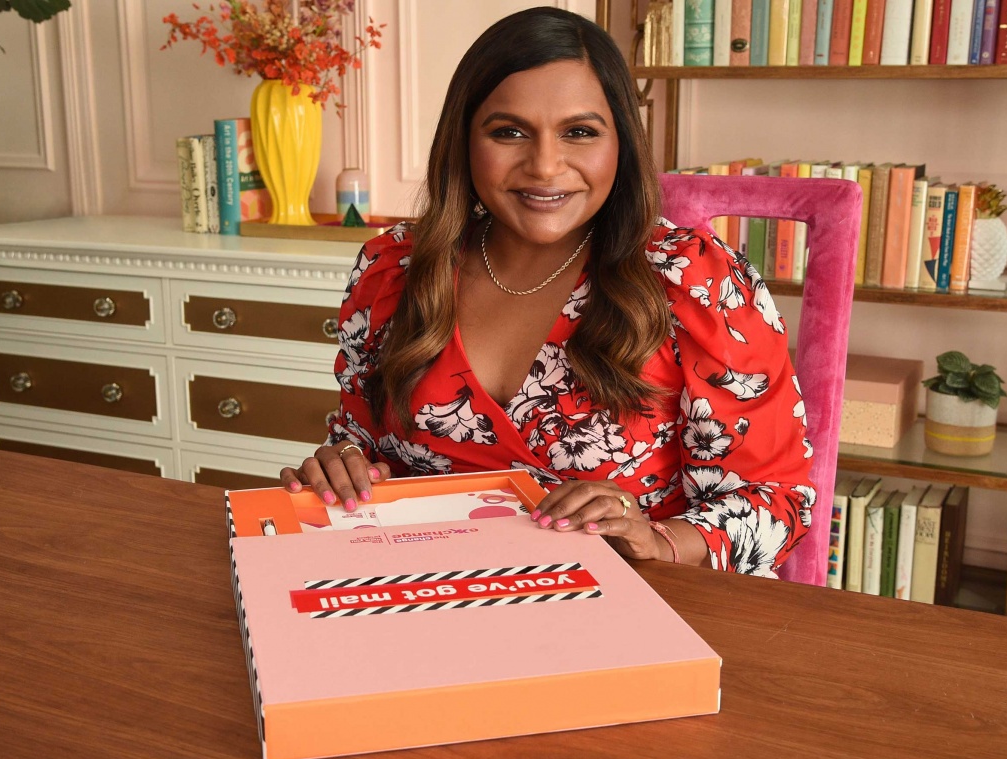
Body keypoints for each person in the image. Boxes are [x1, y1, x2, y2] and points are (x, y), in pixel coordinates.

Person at [280, 7, 815, 575]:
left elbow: (776, 500)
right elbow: (357, 442)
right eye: (508, 131)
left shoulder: (696, 282)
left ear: (621, 144)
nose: (544, 165)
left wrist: (655, 540)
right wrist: (340, 467)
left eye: (579, 132)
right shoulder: (393, 269)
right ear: (464, 140)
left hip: (632, 614)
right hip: (428, 598)